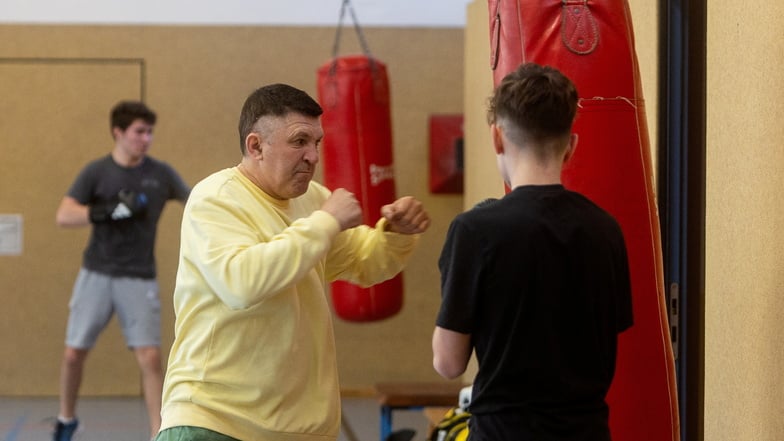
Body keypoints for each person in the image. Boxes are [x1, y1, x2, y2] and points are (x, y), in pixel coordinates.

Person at [155, 83, 430, 441]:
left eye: (317, 143)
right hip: (215, 421)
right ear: (256, 146)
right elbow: (242, 283)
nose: (313, 156)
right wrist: (326, 222)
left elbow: (365, 261)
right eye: (299, 141)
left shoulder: (315, 200)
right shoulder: (216, 199)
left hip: (299, 429)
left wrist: (395, 232)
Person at [431, 63, 634, 441]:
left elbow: (448, 362)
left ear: (496, 138)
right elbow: (607, 338)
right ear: (571, 146)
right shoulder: (606, 229)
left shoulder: (475, 231)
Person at [53, 101, 191, 441]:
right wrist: (104, 211)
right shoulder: (97, 172)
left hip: (138, 277)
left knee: (150, 357)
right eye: (139, 132)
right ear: (118, 132)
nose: (146, 139)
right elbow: (64, 215)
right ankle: (66, 418)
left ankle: (159, 432)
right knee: (73, 354)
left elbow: (196, 200)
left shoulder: (160, 174)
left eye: (149, 132)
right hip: (96, 274)